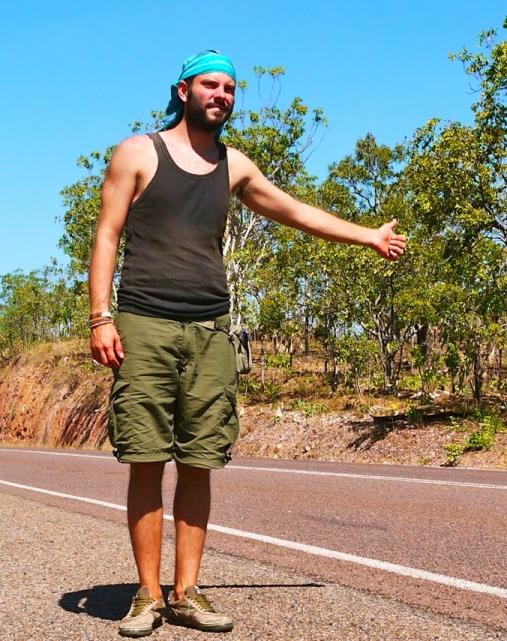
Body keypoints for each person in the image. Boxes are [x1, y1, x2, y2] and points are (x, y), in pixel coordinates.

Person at [88, 50, 407, 637]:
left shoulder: (234, 164)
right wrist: (100, 318)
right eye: (211, 84)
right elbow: (107, 234)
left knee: (201, 460)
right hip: (145, 323)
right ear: (183, 90)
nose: (223, 95)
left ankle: (187, 594)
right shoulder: (139, 152)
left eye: (231, 88)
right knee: (145, 458)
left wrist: (367, 236)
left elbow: (292, 210)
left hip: (211, 328)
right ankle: (148, 595)